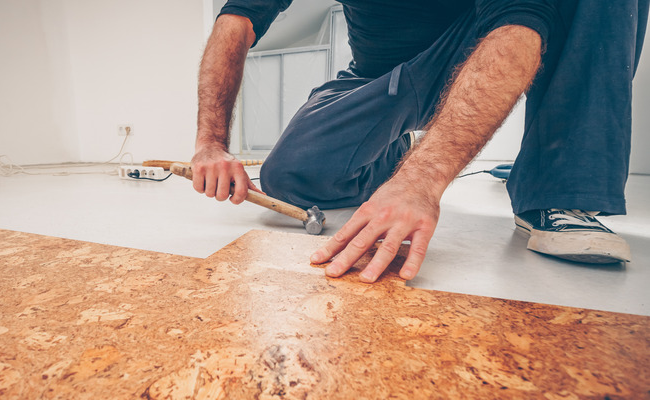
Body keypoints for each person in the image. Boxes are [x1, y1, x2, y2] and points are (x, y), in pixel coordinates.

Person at [189, 0, 648, 283]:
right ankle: (397, 156)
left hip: (478, 45)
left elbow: (519, 23)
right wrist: (210, 141)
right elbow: (237, 19)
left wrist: (423, 182)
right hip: (380, 75)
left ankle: (557, 193)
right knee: (289, 174)